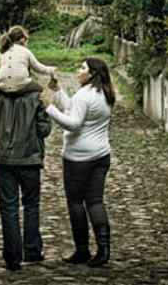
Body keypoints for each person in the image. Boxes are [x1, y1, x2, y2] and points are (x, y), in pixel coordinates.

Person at [45, 57, 116, 267]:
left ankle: (82, 249)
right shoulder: (105, 92)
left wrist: (50, 108)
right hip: (101, 155)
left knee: (76, 202)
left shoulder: (83, 96)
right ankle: (104, 249)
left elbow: (74, 123)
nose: (79, 71)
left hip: (78, 158)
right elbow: (77, 111)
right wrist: (58, 92)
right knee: (95, 200)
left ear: (92, 73)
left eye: (83, 68)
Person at [0, 80, 52, 271]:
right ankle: (33, 251)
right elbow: (44, 130)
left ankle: (12, 257)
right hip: (30, 158)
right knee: (31, 204)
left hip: (3, 159)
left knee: (8, 207)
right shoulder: (36, 95)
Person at [0, 25, 58, 94]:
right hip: (20, 85)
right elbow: (38, 68)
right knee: (39, 88)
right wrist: (52, 70)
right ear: (23, 40)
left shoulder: (3, 51)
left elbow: (0, 67)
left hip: (2, 85)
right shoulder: (25, 51)